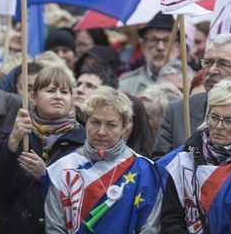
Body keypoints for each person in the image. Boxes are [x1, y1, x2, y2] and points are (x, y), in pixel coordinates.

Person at [45, 86, 162, 234]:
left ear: (125, 126)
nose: (101, 132)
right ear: (85, 121)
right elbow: (55, 228)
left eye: (111, 125)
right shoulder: (62, 168)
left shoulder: (146, 171)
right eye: (95, 122)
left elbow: (150, 228)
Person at [157, 80, 231, 233]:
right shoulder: (182, 162)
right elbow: (171, 220)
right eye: (214, 117)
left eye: (229, 121)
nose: (219, 126)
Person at [0, 66, 85, 234]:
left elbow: (84, 196)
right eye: (50, 90)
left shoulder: (84, 140)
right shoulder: (17, 132)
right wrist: (12, 142)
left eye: (64, 92)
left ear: (72, 99)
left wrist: (46, 177)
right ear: (33, 97)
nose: (58, 96)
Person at [119, 13, 174, 95]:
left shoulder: (193, 82)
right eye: (153, 40)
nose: (160, 47)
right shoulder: (124, 85)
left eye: (167, 41)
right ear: (143, 46)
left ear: (179, 47)